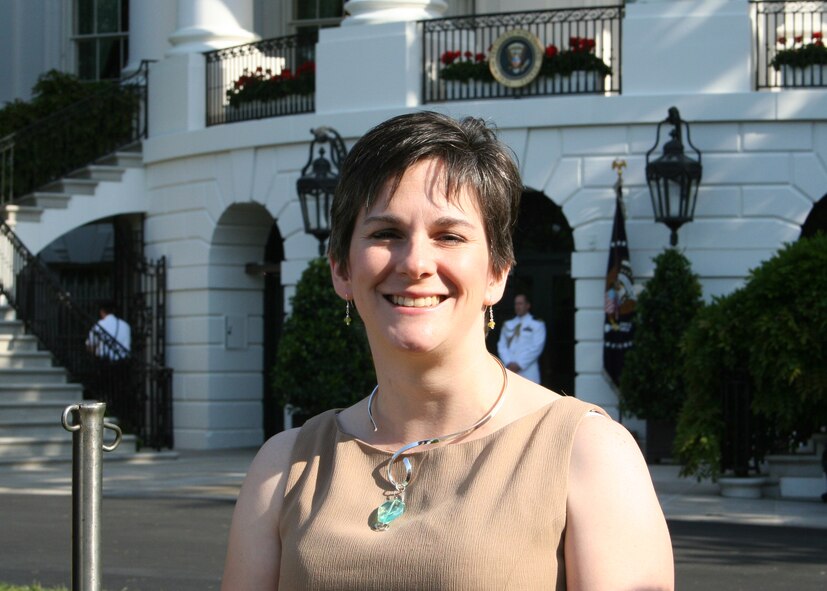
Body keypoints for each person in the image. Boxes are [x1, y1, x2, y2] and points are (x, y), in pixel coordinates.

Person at [221, 111, 674, 590]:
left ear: (497, 272)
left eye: (449, 236)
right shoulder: (284, 467)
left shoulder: (588, 453)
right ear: (341, 269)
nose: (416, 263)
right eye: (385, 234)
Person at [497, 293, 547, 383]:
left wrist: (519, 364)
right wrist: (508, 362)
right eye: (516, 304)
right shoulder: (508, 324)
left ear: (528, 305)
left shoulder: (536, 324)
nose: (517, 306)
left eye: (520, 303)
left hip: (528, 371)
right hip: (509, 369)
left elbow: (536, 347)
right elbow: (502, 345)